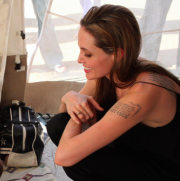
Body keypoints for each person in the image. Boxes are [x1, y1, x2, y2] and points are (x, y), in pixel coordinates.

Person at [47, 4, 180, 180]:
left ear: (117, 54)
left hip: (166, 169)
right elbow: (65, 117)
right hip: (136, 151)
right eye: (80, 50)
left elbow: (63, 156)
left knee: (77, 160)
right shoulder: (109, 70)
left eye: (88, 54)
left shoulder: (144, 92)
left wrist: (77, 109)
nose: (79, 59)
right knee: (58, 124)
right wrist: (69, 98)